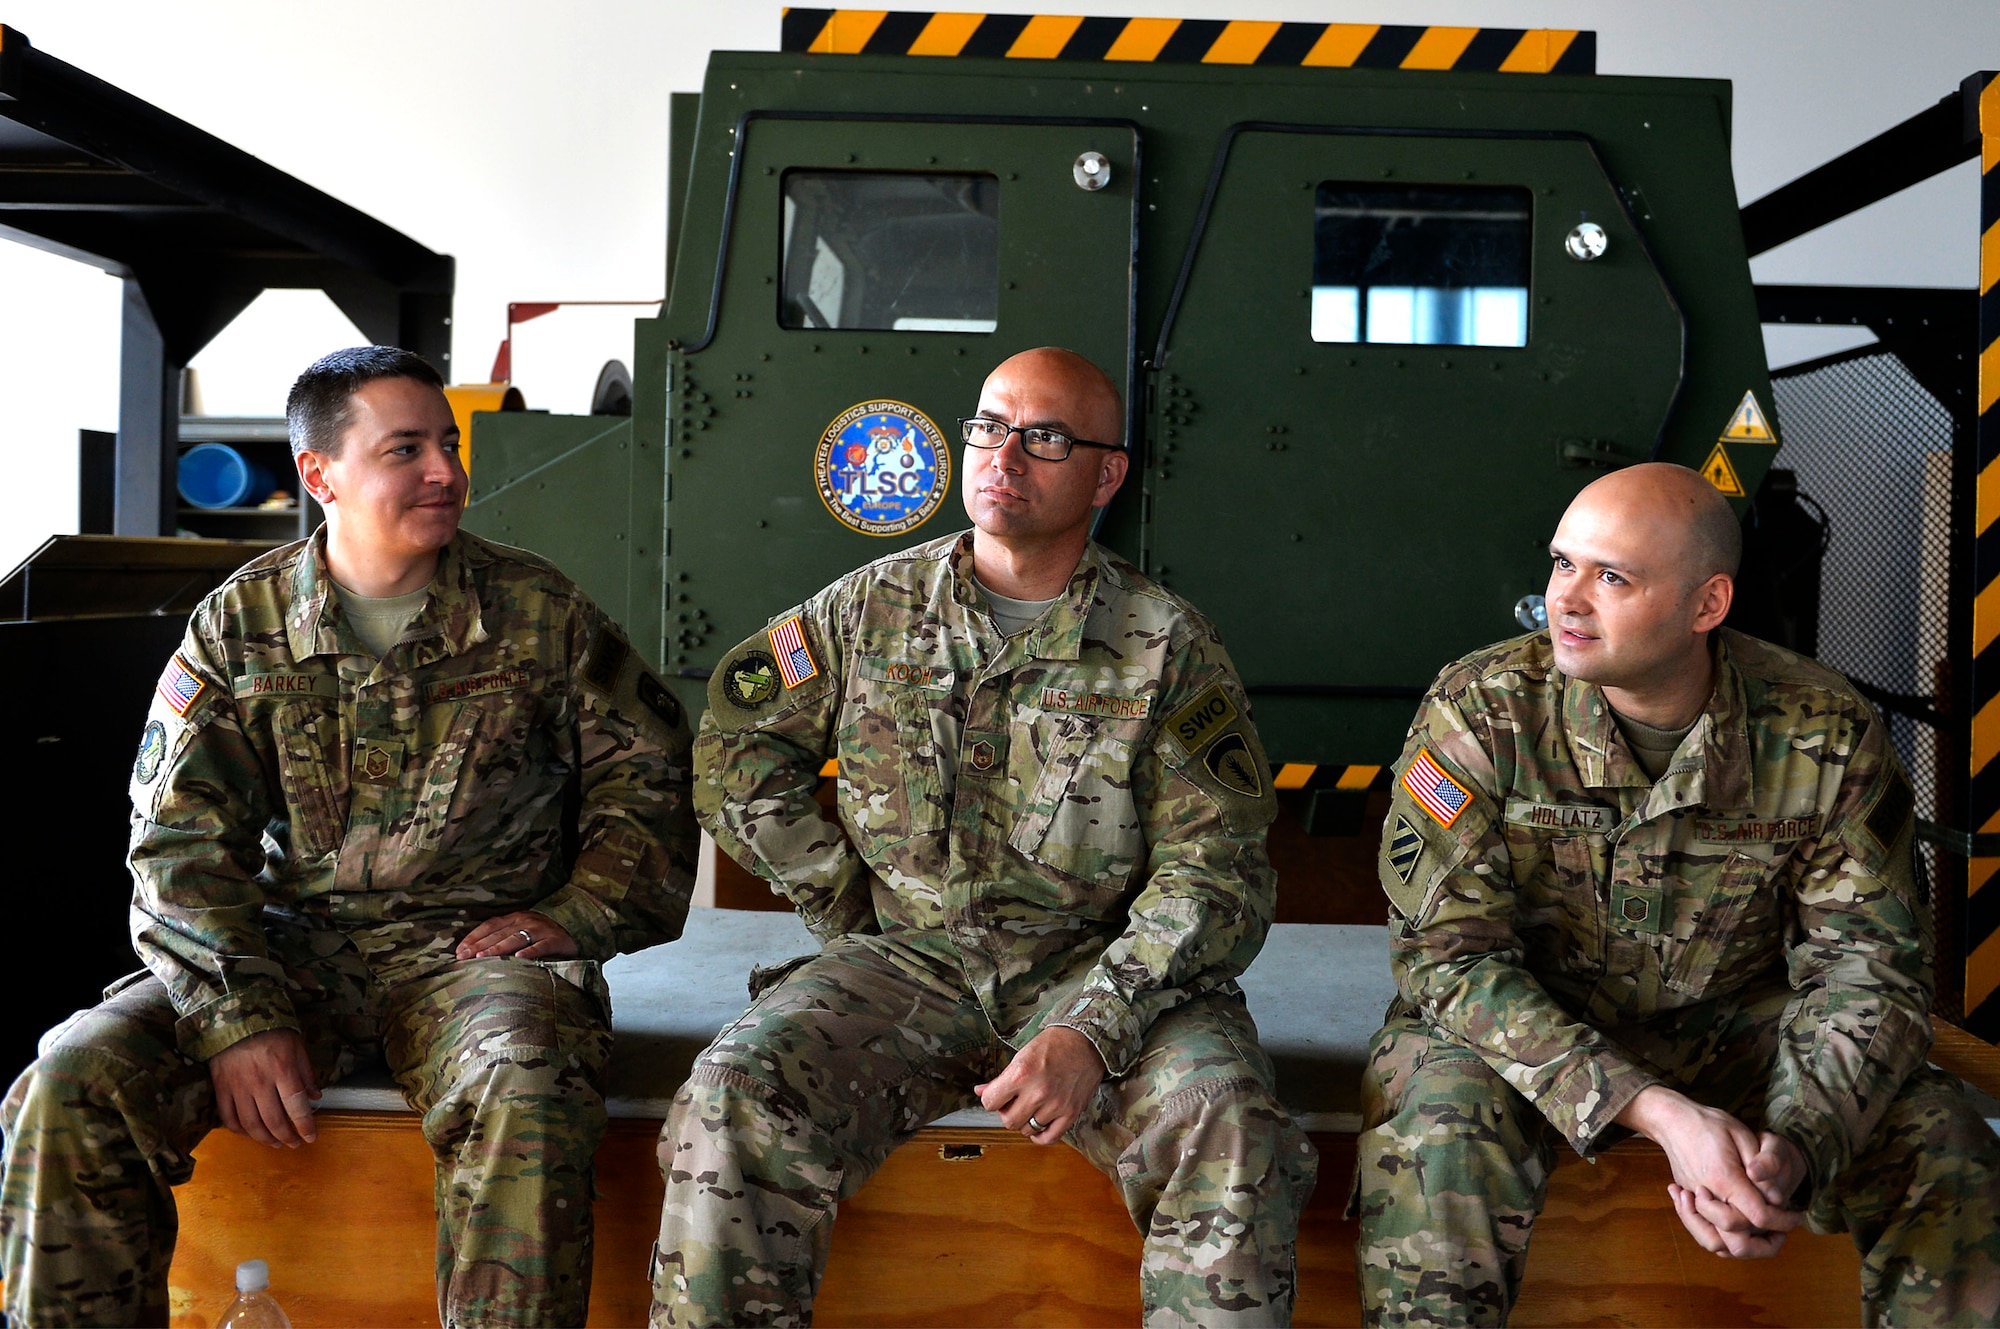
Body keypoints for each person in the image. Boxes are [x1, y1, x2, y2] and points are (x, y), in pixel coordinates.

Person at [0, 346, 698, 1327]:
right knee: (71, 1080)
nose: (445, 472)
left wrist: (576, 915)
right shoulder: (241, 625)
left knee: (528, 1085)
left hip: (471, 955)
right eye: (405, 449)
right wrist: (236, 1014)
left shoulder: (537, 614)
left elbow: (651, 781)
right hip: (293, 952)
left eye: (447, 445)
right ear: (319, 474)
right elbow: (178, 845)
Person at [650, 347, 1317, 1327]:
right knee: (731, 1094)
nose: (1003, 455)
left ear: (1105, 473)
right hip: (906, 963)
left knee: (1225, 1123)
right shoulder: (864, 609)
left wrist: (1094, 1026)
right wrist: (837, 896)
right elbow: (733, 745)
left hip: (1098, 973)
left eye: (1043, 437)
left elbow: (1216, 872)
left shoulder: (1164, 644)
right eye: (986, 426)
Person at [1353, 461, 2000, 1325]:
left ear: (1708, 604)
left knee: (1943, 1138)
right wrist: (1658, 1115)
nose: (1567, 601)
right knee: (1434, 1120)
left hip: (1729, 1030)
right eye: (1561, 564)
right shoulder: (1484, 709)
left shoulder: (1822, 730)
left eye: (1611, 576)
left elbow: (1869, 975)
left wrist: (1795, 1149)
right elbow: (1447, 962)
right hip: (1520, 1028)